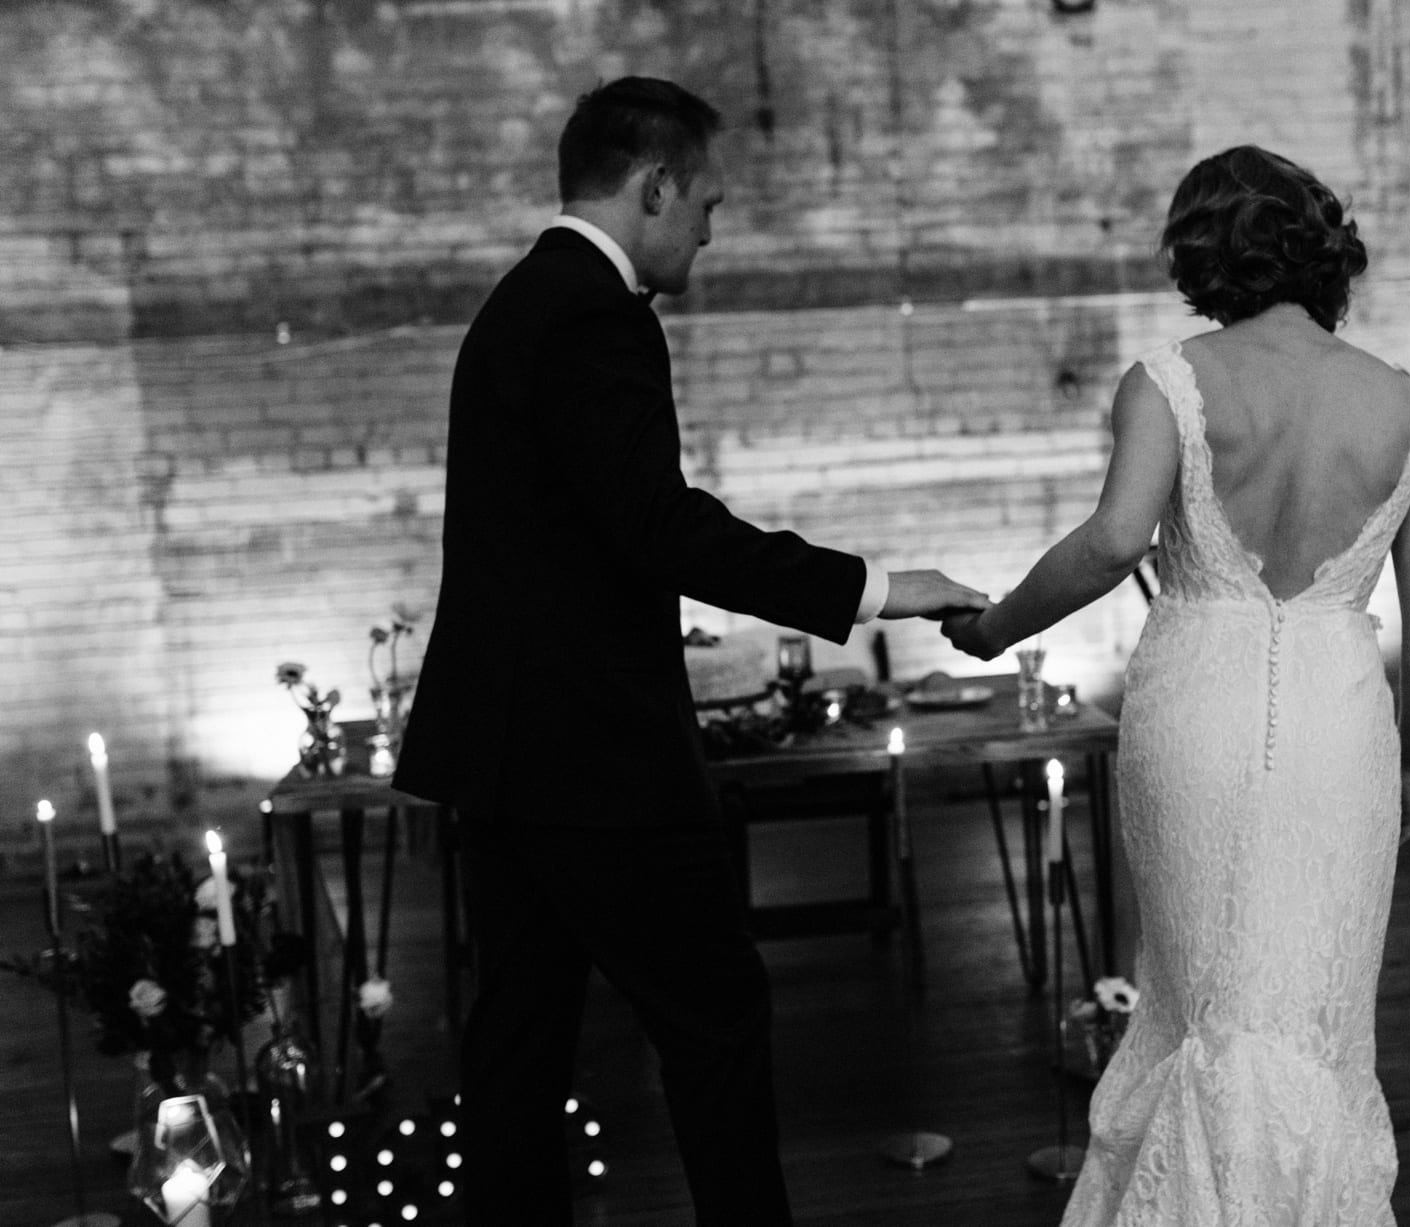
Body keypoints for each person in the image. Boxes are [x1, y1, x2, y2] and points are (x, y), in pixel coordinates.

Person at [391, 77, 987, 1227]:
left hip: (505, 746)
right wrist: (869, 587)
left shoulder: (525, 300)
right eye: (704, 202)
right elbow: (655, 526)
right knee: (717, 1024)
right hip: (592, 755)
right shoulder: (593, 316)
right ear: (653, 184)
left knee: (518, 1047)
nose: (712, 228)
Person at [943, 146, 1410, 1224]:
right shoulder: (1408, 405)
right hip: (1340, 724)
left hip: (1196, 711)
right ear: (1321, 248)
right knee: (1312, 1014)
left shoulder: (1170, 381)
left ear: (1202, 252)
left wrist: (993, 629)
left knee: (1201, 1000)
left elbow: (1111, 542)